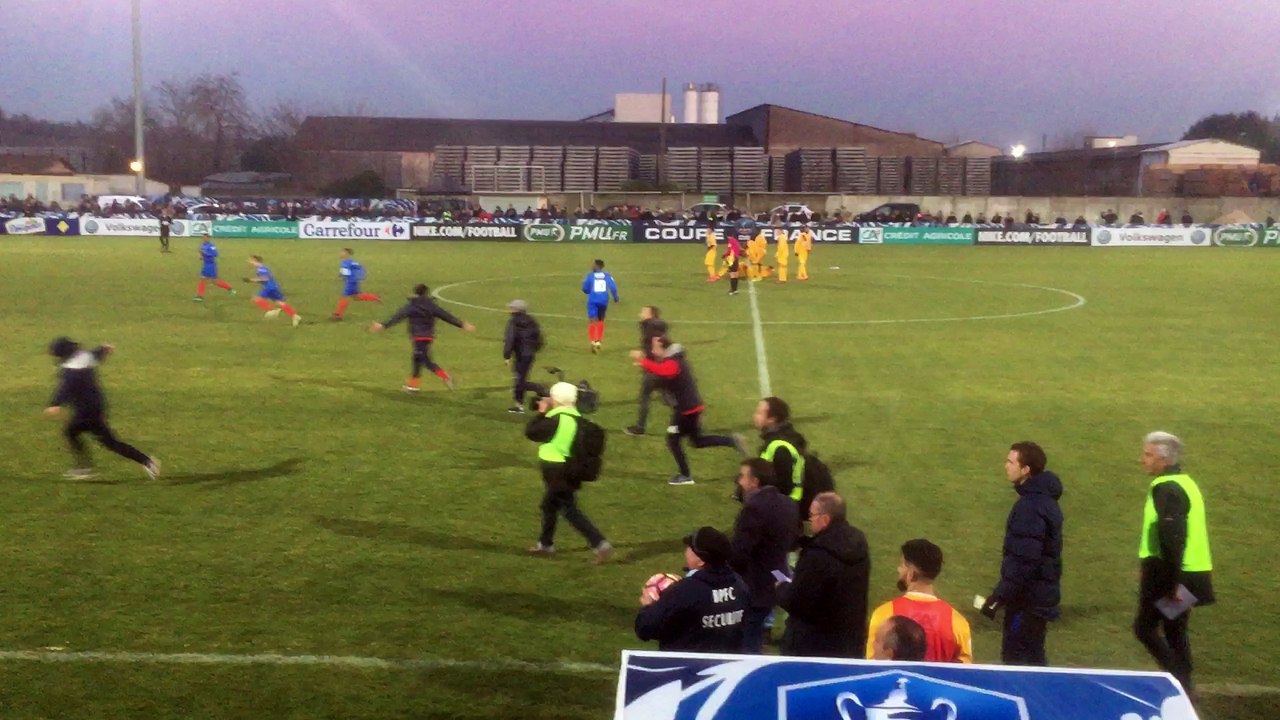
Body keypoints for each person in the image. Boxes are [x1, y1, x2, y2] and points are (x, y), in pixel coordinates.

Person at [1133, 431, 1214, 693]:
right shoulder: (1185, 482)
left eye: (1148, 455)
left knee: (1145, 628)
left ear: (1164, 460)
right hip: (1192, 575)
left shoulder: (1166, 488)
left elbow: (1173, 539)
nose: (1142, 460)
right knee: (1174, 629)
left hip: (1173, 577)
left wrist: (1171, 585)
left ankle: (1178, 682)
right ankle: (1184, 685)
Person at [980, 441, 1063, 666]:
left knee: (1018, 660)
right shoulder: (1044, 501)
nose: (1006, 466)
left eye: (1010, 461)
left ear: (1026, 469)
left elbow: (1025, 559)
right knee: (1033, 657)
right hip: (1039, 596)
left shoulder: (1030, 506)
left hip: (1027, 600)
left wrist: (999, 597)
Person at [631, 335, 748, 485]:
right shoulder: (675, 358)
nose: (653, 351)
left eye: (655, 348)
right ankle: (732, 441)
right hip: (693, 407)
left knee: (672, 440)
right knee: (697, 441)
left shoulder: (673, 362)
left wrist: (642, 361)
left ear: (663, 347)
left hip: (686, 410)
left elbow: (663, 370)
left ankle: (685, 475)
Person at [45, 338, 160, 480]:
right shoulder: (84, 358)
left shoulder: (72, 372)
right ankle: (147, 462)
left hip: (86, 411)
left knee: (75, 433)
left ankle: (85, 468)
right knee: (106, 441)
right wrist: (104, 349)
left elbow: (65, 389)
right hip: (96, 407)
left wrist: (55, 404)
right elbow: (94, 355)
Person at [523, 382, 612, 563]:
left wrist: (541, 412)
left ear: (555, 399)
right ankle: (545, 544)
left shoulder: (556, 420)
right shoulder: (576, 419)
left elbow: (531, 432)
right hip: (569, 470)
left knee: (569, 510)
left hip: (556, 471)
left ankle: (600, 544)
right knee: (549, 506)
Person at [777, 492, 870, 657]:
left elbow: (797, 602)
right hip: (848, 642)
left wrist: (781, 587)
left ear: (825, 519)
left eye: (812, 515)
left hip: (812, 646)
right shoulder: (859, 544)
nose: (809, 519)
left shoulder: (817, 555)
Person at [635, 526, 750, 651]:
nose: (686, 551)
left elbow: (645, 628)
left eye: (690, 548)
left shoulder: (685, 591)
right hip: (725, 665)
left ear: (700, 561)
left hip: (687, 666)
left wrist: (648, 606)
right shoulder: (739, 584)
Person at [730, 458, 799, 653]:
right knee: (756, 631)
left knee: (747, 638)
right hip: (778, 577)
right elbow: (793, 540)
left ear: (755, 481)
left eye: (743, 477)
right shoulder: (789, 504)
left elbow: (740, 551)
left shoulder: (754, 508)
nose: (740, 482)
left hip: (754, 584)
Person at [866, 539, 972, 663]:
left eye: (902, 565)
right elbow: (964, 670)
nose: (898, 569)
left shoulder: (884, 615)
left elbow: (873, 663)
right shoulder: (957, 621)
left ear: (910, 574)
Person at [370, 283, 475, 392]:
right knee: (417, 360)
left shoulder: (412, 306)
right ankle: (412, 386)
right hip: (428, 337)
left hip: (418, 337)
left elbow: (398, 316)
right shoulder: (432, 305)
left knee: (425, 361)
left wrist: (383, 325)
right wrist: (462, 324)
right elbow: (446, 316)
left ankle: (445, 377)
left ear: (415, 293)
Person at [752, 397, 808, 510]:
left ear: (772, 419)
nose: (755, 416)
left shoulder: (779, 447)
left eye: (759, 413)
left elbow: (783, 484)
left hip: (784, 506)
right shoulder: (789, 437)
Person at [624, 306, 669, 436]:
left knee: (645, 397)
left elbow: (652, 349)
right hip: (662, 368)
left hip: (653, 370)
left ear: (651, 314)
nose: (640, 314)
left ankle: (640, 427)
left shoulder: (649, 327)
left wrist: (642, 357)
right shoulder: (657, 327)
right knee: (670, 397)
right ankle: (690, 422)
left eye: (643, 312)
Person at [502, 299, 542, 414]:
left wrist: (507, 356)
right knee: (521, 378)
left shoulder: (513, 322)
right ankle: (522, 400)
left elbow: (510, 340)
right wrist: (534, 349)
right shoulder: (532, 321)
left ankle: (538, 390)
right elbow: (539, 338)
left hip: (520, 354)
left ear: (516, 309)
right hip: (530, 354)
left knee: (519, 380)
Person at [246, 255, 302, 327]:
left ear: (255, 261)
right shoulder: (264, 268)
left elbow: (265, 278)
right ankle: (295, 316)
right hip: (273, 287)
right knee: (280, 302)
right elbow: (264, 279)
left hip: (269, 287)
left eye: (251, 261)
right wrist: (252, 281)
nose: (250, 262)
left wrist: (251, 280)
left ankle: (272, 310)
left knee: (255, 299)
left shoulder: (261, 269)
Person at [331, 248, 382, 321]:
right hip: (354, 281)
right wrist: (359, 276)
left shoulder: (345, 262)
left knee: (344, 296)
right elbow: (361, 268)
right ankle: (375, 297)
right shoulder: (352, 262)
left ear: (347, 254)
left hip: (350, 281)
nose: (340, 253)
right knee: (356, 297)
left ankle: (338, 315)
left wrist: (342, 277)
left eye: (342, 252)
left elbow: (346, 273)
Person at [581, 259, 619, 353]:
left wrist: (588, 291)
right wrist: (615, 297)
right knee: (601, 319)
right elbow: (613, 287)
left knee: (592, 320)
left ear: (596, 266)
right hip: (603, 300)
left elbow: (584, 288)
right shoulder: (607, 276)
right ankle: (598, 341)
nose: (591, 266)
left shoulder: (590, 276)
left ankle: (593, 341)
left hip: (593, 300)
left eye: (593, 265)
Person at [193, 232, 236, 302]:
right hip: (205, 265)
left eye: (205, 238)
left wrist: (203, 253)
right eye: (203, 238)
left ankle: (230, 289)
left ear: (208, 238)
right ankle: (199, 296)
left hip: (211, 265)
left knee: (215, 282)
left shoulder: (211, 246)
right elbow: (202, 254)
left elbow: (215, 254)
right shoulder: (202, 245)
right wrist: (201, 256)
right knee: (202, 279)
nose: (204, 239)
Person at [723, 232, 743, 296]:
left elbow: (729, 250)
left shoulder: (730, 241)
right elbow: (739, 249)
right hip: (736, 258)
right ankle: (736, 290)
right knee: (736, 274)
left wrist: (725, 255)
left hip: (732, 259)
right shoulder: (735, 241)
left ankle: (732, 290)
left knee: (732, 274)